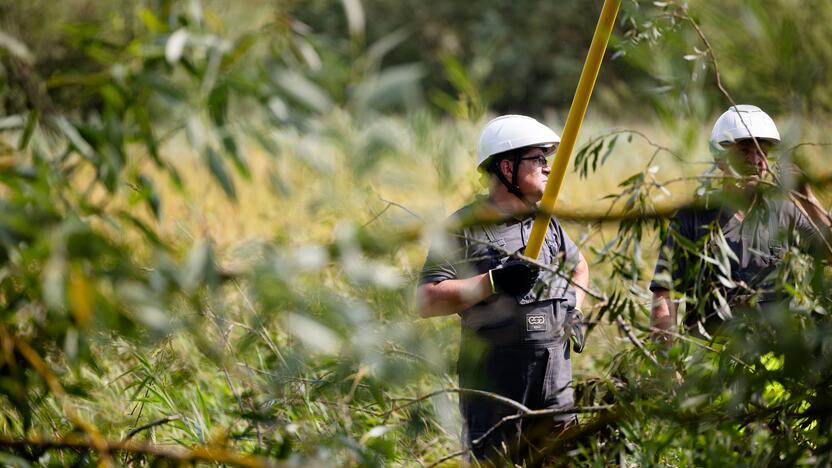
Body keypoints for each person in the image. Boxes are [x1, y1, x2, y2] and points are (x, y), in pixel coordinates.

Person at [416, 115, 590, 464]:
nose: (547, 168)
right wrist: (491, 282)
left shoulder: (546, 222)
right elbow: (426, 299)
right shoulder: (466, 227)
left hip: (555, 396)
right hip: (496, 402)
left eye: (547, 159)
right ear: (507, 167)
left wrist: (575, 309)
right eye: (537, 159)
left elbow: (580, 266)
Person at [650, 105, 830, 340]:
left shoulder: (787, 213)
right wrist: (668, 366)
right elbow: (665, 295)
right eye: (744, 150)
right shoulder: (693, 218)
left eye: (761, 152)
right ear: (719, 158)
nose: (755, 161)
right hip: (710, 362)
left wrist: (809, 199)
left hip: (777, 361)